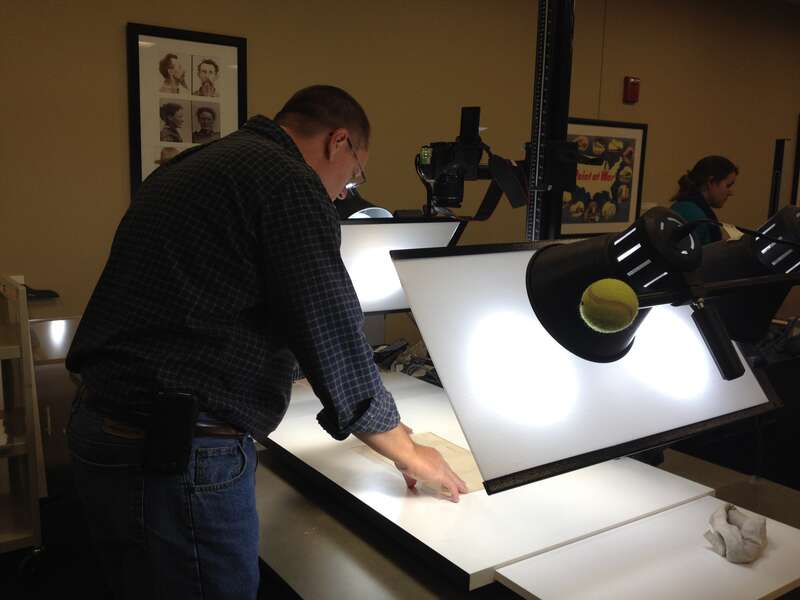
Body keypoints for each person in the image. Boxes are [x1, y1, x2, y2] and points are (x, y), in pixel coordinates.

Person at [65, 84, 467, 600]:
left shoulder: (194, 165)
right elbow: (327, 323)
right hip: (175, 450)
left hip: (104, 428)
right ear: (338, 141)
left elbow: (212, 297)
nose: (346, 192)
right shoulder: (287, 181)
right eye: (356, 172)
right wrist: (406, 449)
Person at [670, 155, 738, 245]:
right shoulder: (694, 216)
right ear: (710, 182)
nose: (730, 193)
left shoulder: (684, 206)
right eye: (728, 185)